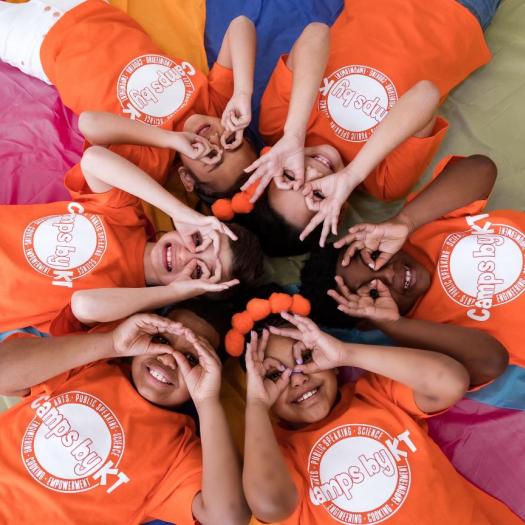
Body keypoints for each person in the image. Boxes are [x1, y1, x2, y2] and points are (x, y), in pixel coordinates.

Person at [240, 0, 496, 250]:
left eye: (291, 176)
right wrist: (353, 174)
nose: (313, 174)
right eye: (317, 194)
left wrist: (294, 134)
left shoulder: (279, 127)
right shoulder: (383, 182)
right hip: (459, 13)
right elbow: (425, 94)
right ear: (338, 211)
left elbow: (316, 34)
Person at [241, 313, 522, 524]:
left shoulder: (375, 393)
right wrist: (256, 404)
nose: (298, 378)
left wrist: (347, 353)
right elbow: (270, 505)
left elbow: (450, 381)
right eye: (274, 375)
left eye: (305, 356)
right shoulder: (277, 457)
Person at [0, 308, 250, 525]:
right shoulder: (90, 364)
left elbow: (228, 517)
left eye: (192, 359)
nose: (167, 359)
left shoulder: (178, 452)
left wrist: (207, 401)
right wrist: (113, 343)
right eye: (161, 339)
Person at [0, 133, 264, 335]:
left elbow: (84, 305)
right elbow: (94, 160)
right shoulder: (126, 217)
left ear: (193, 291)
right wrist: (179, 212)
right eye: (198, 241)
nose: (185, 255)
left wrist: (175, 293)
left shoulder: (129, 307)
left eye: (198, 272)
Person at [0, 0, 258, 197]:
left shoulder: (152, 160)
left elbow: (90, 123)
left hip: (39, 42)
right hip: (93, 9)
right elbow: (240, 24)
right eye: (229, 142)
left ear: (186, 178)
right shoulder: (217, 105)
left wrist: (169, 139)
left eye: (212, 156)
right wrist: (242, 93)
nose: (214, 140)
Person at [301, 153, 522, 374]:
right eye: (373, 292)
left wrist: (406, 221)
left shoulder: (419, 229)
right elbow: (492, 361)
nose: (389, 274)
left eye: (374, 257)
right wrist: (393, 325)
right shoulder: (423, 338)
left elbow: (482, 168)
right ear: (367, 323)